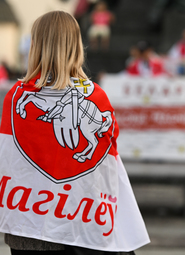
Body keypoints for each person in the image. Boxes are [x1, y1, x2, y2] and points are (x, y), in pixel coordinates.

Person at [0, 11, 149, 254]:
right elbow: (107, 162)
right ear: (76, 46)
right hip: (82, 225)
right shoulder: (97, 96)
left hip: (29, 225)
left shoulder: (16, 96)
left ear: (36, 46)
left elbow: (10, 160)